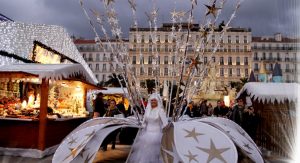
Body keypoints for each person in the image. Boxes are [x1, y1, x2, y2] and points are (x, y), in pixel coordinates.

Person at [128, 93, 168, 163]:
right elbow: (144, 122)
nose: (153, 102)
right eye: (152, 100)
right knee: (144, 152)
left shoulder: (160, 111)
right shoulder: (147, 110)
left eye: (154, 100)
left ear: (158, 101)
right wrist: (141, 126)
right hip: (146, 135)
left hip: (157, 135)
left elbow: (165, 124)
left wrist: (162, 131)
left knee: (155, 153)